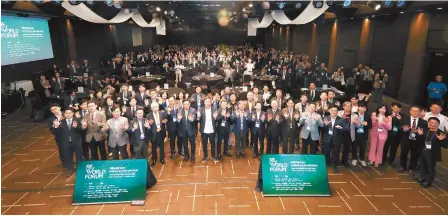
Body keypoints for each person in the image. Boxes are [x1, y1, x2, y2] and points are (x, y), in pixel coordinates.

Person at [51, 107, 87, 175]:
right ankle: (70, 169)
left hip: (76, 142)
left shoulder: (78, 120)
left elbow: (82, 131)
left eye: (69, 113)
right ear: (64, 114)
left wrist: (83, 127)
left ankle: (81, 169)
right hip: (66, 143)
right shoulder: (60, 122)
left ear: (73, 113)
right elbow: (55, 132)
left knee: (79, 156)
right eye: (66, 113)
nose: (68, 114)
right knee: (68, 157)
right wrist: (56, 127)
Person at [417, 117, 447, 188]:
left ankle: (428, 181)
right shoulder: (424, 130)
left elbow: (445, 146)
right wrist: (420, 135)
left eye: (435, 123)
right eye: (431, 122)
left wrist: (441, 140)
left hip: (432, 154)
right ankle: (423, 178)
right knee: (422, 166)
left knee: (430, 168)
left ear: (438, 124)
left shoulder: (442, 133)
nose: (432, 124)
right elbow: (420, 141)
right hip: (423, 151)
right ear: (428, 123)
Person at [399, 106, 427, 176]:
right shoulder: (404, 119)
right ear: (410, 111)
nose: (415, 112)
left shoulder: (423, 122)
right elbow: (400, 129)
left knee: (414, 155)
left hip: (416, 141)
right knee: (403, 153)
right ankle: (403, 166)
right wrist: (403, 130)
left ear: (420, 112)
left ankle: (412, 168)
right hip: (406, 140)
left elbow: (425, 133)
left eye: (417, 111)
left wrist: (420, 133)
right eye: (413, 111)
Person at [322, 106, 344, 172]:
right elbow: (321, 128)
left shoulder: (341, 119)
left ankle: (334, 165)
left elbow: (346, 129)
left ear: (337, 112)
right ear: (329, 111)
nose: (334, 112)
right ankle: (327, 163)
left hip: (336, 138)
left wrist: (341, 128)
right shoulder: (325, 118)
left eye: (335, 111)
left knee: (335, 152)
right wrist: (324, 125)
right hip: (327, 138)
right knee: (326, 151)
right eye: (332, 110)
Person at [383, 102, 403, 166]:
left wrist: (400, 120)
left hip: (397, 135)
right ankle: (383, 159)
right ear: (392, 107)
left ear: (400, 109)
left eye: (398, 108)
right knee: (385, 148)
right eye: (395, 108)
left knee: (394, 149)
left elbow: (404, 125)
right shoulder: (388, 114)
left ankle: (390, 161)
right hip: (388, 134)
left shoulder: (403, 116)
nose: (396, 110)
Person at [352, 102, 370, 167]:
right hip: (355, 134)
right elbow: (350, 124)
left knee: (363, 148)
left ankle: (361, 159)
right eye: (361, 107)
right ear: (358, 107)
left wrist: (367, 124)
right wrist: (354, 123)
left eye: (364, 108)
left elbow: (370, 126)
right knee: (354, 147)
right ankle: (354, 158)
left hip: (363, 134)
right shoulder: (354, 114)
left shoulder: (368, 115)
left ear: (366, 108)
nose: (362, 109)